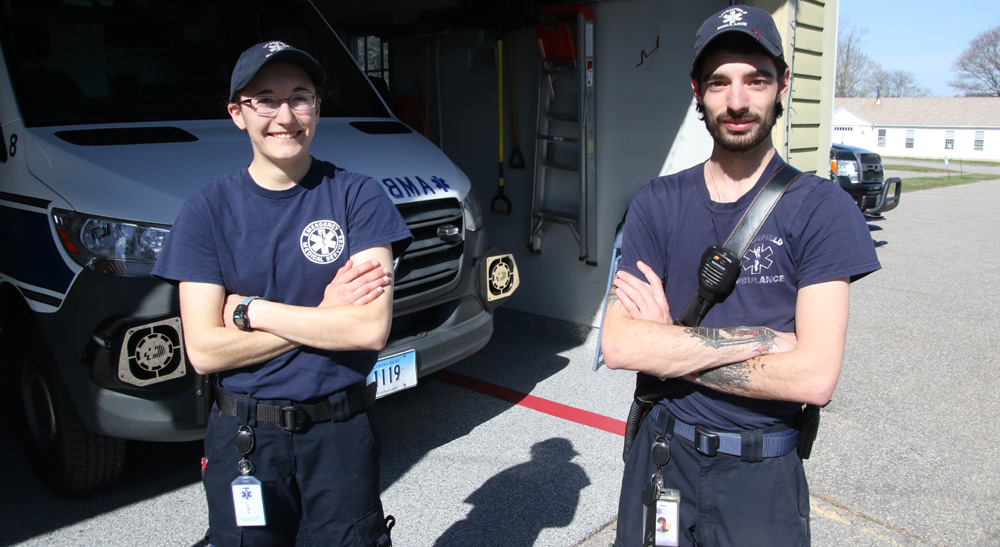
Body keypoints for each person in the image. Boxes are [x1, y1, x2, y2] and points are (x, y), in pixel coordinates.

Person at [601, 6, 880, 546]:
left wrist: (669, 347)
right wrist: (765, 342)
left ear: (782, 86)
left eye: (756, 80)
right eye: (718, 82)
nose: (737, 101)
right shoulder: (657, 202)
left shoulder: (822, 209)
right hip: (663, 458)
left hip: (761, 477)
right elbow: (618, 344)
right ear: (696, 92)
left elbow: (813, 377)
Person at [153, 41, 411, 546]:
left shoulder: (358, 196)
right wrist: (323, 315)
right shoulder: (206, 212)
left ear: (317, 107)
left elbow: (368, 328)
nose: (285, 115)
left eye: (301, 97)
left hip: (341, 430)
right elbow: (205, 350)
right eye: (265, 99)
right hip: (246, 438)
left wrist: (254, 311)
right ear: (237, 113)